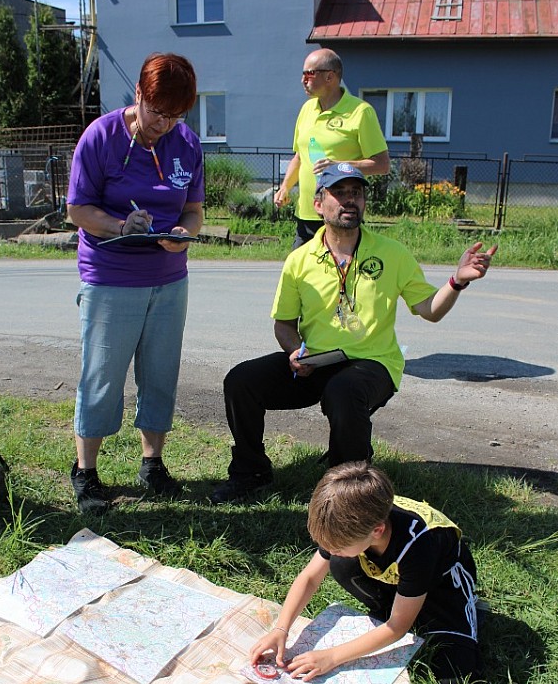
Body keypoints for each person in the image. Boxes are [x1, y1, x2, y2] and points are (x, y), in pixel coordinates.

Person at [210, 162, 497, 504]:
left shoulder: (392, 253)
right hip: (316, 362)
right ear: (319, 204)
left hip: (372, 365)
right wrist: (295, 352)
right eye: (339, 193)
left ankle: (350, 488)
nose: (350, 201)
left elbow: (430, 310)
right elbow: (283, 324)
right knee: (241, 380)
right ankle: (250, 473)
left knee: (343, 390)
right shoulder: (300, 260)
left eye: (356, 193)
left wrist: (458, 280)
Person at [66, 53, 203, 513]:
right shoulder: (100, 137)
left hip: (169, 280)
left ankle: (153, 462)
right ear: (139, 95)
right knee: (102, 376)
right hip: (111, 279)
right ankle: (86, 471)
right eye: (158, 112)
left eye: (176, 115)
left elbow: (194, 210)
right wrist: (120, 226)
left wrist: (184, 235)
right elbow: (78, 210)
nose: (165, 124)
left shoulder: (186, 143)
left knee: (160, 374)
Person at [250, 461, 484, 684]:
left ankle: (458, 611)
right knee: (341, 563)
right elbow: (310, 577)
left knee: (453, 678)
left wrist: (331, 657)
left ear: (377, 531)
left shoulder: (418, 547)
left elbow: (397, 627)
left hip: (441, 585)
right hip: (398, 576)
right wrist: (280, 629)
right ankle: (393, 604)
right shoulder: (346, 521)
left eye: (337, 546)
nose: (330, 551)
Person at [273, 48, 390, 249]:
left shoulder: (361, 112)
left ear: (330, 76)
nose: (303, 80)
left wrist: (340, 166)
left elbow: (382, 164)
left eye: (309, 73)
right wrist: (285, 187)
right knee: (299, 278)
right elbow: (300, 156)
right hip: (307, 215)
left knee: (341, 279)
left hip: (340, 217)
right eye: (302, 74)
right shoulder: (307, 109)